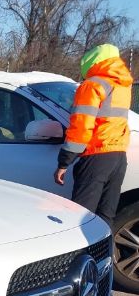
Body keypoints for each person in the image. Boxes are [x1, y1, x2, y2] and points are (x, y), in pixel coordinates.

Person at [54, 44, 133, 226]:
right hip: (119, 157)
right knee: (105, 217)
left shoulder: (92, 85)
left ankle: (80, 255)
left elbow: (81, 127)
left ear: (90, 63)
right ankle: (103, 255)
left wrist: (64, 162)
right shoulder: (122, 86)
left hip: (96, 156)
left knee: (81, 217)